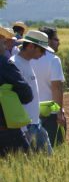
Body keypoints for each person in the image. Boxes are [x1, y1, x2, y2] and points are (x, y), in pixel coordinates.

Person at [11, 30, 56, 154]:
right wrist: (23, 128)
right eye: (42, 50)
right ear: (31, 46)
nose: (43, 54)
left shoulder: (27, 63)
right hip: (25, 127)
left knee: (48, 162)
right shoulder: (15, 64)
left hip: (35, 123)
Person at [0, 26, 34, 156]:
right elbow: (26, 94)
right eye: (3, 42)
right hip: (6, 129)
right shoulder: (4, 63)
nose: (5, 45)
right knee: (25, 166)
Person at [36, 27, 67, 146]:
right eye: (56, 39)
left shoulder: (25, 58)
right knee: (55, 148)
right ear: (47, 40)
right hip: (50, 113)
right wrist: (59, 113)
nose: (59, 42)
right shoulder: (53, 60)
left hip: (32, 112)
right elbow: (57, 88)